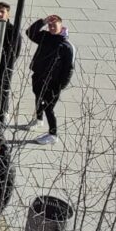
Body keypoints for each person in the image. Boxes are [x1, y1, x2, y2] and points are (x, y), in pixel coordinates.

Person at [24, 14, 75, 144]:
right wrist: (42, 21)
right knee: (38, 97)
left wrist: (60, 85)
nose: (51, 27)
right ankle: (38, 120)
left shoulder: (66, 46)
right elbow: (29, 33)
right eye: (50, 25)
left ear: (61, 26)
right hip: (39, 76)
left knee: (49, 107)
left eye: (54, 25)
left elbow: (69, 69)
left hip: (53, 82)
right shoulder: (45, 37)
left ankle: (53, 134)